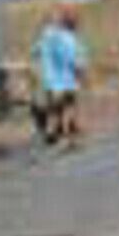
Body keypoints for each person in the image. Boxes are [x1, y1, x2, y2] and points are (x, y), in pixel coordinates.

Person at [31, 8, 88, 148]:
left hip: (50, 80)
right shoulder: (70, 40)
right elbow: (75, 60)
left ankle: (54, 132)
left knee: (56, 108)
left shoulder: (47, 37)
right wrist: (81, 74)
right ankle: (69, 137)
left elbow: (35, 52)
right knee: (69, 107)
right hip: (67, 79)